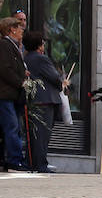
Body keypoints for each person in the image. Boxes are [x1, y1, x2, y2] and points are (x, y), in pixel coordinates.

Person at [22, 30, 65, 173]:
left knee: (34, 135)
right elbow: (54, 77)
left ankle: (32, 162)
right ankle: (41, 164)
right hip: (45, 100)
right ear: (40, 45)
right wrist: (62, 83)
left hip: (32, 100)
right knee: (42, 135)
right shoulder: (42, 59)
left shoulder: (26, 58)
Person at [0, 16, 28, 171]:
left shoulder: (13, 46)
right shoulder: (5, 45)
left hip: (11, 95)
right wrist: (21, 82)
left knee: (12, 127)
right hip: (6, 95)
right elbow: (5, 69)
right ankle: (14, 161)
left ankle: (11, 159)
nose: (22, 31)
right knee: (12, 127)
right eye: (19, 28)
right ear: (11, 30)